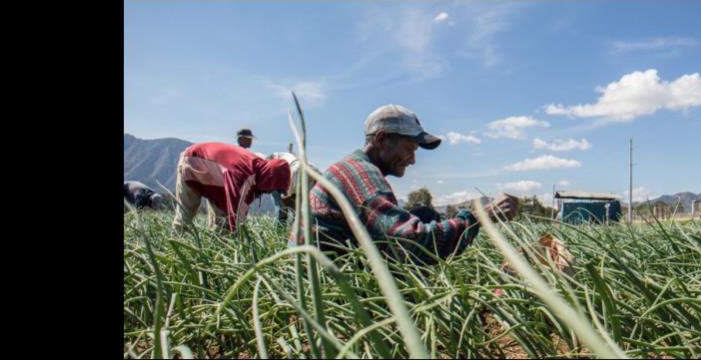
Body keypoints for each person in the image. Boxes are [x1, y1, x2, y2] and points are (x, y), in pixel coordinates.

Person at [290, 104, 518, 264]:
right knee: (421, 231)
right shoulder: (362, 176)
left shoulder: (353, 167)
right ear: (381, 139)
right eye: (409, 149)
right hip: (322, 285)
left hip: (321, 270)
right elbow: (410, 241)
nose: (413, 160)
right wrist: (481, 216)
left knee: (425, 214)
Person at [172, 142, 299, 233]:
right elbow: (237, 216)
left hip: (216, 177)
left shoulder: (258, 168)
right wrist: (240, 238)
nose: (271, 192)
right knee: (185, 216)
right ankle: (176, 244)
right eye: (275, 188)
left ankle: (215, 251)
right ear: (271, 181)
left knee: (222, 224)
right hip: (192, 162)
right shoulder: (244, 176)